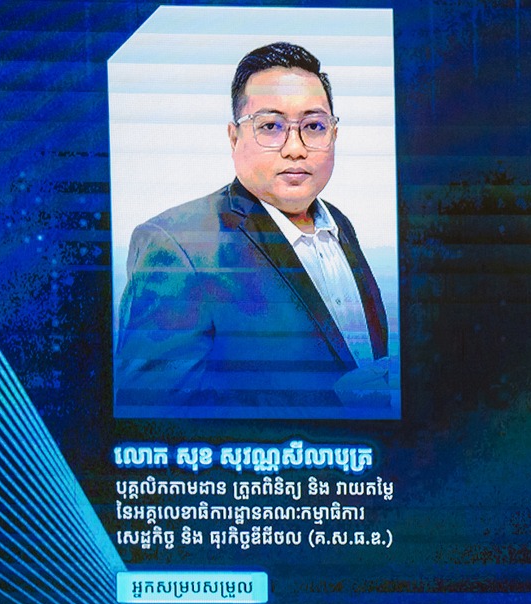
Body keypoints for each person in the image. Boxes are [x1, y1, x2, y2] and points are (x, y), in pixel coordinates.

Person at [115, 42, 395, 419]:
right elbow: (149, 416)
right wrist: (331, 406)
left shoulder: (339, 223)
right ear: (234, 138)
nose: (295, 149)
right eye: (271, 127)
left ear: (334, 134)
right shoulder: (179, 246)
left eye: (314, 126)